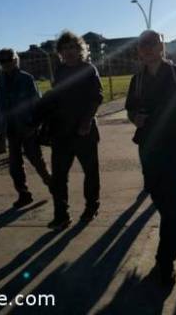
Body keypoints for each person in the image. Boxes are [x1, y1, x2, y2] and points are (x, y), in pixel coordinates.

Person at [125, 30, 176, 285]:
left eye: (152, 44)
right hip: (148, 150)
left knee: (171, 207)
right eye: (143, 45)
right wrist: (134, 118)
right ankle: (167, 242)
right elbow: (130, 110)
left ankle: (165, 261)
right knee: (157, 196)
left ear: (161, 47)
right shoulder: (136, 80)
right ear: (139, 50)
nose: (147, 48)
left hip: (174, 148)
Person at [35, 31, 103, 230]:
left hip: (84, 132)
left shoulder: (88, 69)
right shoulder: (60, 71)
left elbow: (97, 97)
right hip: (61, 132)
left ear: (80, 49)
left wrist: (86, 121)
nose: (69, 51)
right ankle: (61, 215)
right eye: (65, 48)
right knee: (58, 177)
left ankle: (91, 207)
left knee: (90, 172)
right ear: (60, 52)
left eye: (73, 47)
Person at [0, 49, 52, 208]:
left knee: (36, 160)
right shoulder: (0, 83)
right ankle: (23, 194)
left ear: (15, 60)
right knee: (14, 165)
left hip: (27, 126)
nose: (6, 63)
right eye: (2, 61)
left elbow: (37, 103)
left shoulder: (26, 79)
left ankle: (51, 184)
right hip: (10, 129)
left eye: (9, 59)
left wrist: (35, 123)